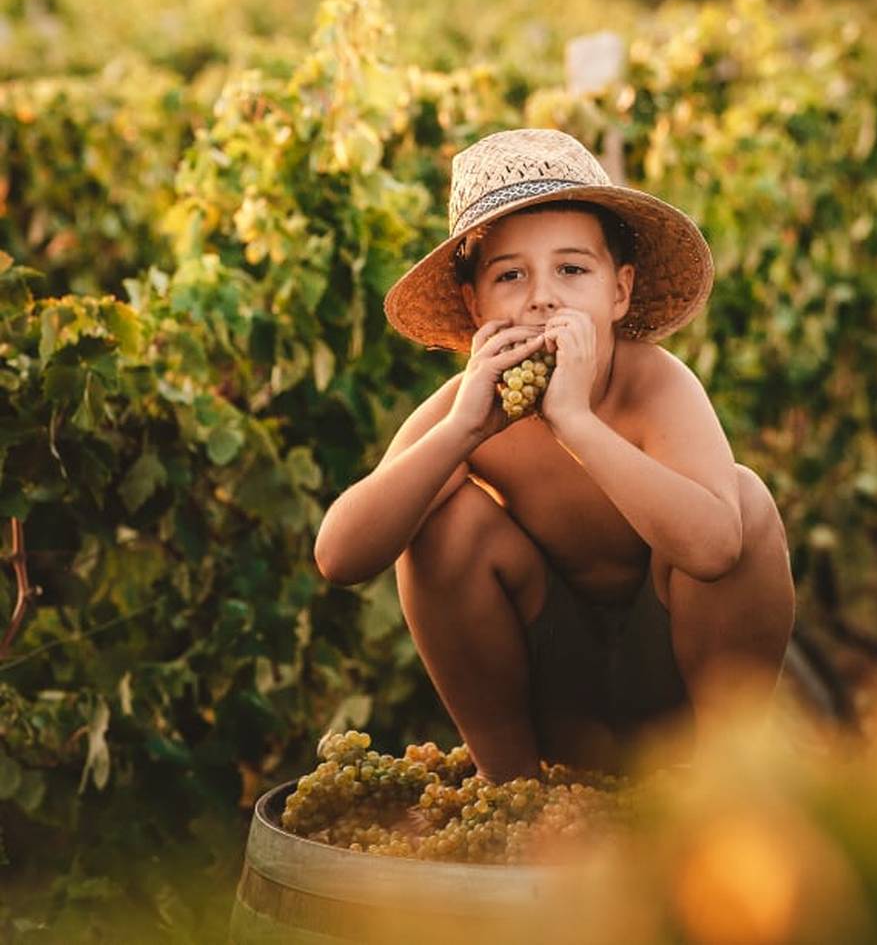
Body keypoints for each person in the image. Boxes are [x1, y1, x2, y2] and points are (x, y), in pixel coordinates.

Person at [314, 127, 796, 782]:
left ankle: (727, 780)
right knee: (442, 522)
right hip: (558, 707)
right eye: (510, 275)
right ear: (474, 304)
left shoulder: (653, 384)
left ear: (618, 292)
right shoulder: (471, 405)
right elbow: (339, 555)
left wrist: (575, 422)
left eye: (572, 269)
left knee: (743, 498)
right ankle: (512, 787)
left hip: (676, 695)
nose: (543, 296)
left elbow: (715, 547)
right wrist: (461, 431)